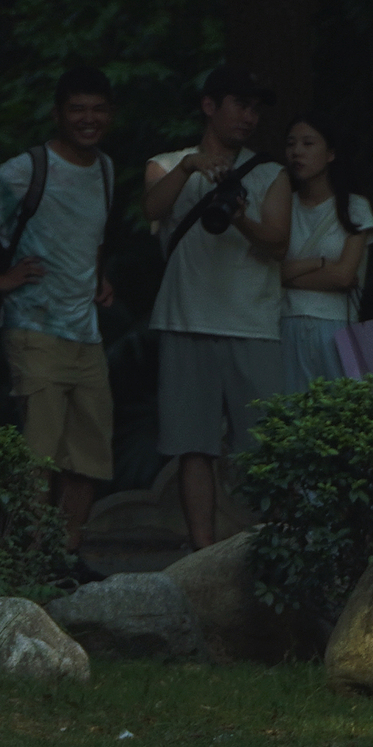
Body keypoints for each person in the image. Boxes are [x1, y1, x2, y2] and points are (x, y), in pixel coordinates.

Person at [0, 65, 116, 551]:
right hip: (34, 328)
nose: (89, 119)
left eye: (98, 109)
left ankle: (66, 557)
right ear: (59, 113)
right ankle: (26, 558)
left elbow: (91, 235)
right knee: (38, 458)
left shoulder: (105, 168)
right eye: (78, 109)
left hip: (86, 332)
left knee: (87, 456)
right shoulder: (27, 169)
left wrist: (98, 276)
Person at [144, 65, 293, 550]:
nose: (248, 116)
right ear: (210, 105)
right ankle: (202, 554)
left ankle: (272, 546)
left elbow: (277, 242)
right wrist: (191, 167)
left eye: (254, 108)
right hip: (184, 319)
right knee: (193, 446)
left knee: (264, 448)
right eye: (239, 104)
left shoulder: (270, 172)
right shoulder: (165, 164)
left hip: (253, 323)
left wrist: (241, 216)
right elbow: (151, 209)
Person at [281, 114, 373, 392]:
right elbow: (270, 272)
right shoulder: (281, 207)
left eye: (308, 143)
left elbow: (343, 276)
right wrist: (320, 263)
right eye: (291, 144)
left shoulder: (354, 207)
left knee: (343, 417)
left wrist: (288, 273)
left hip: (337, 327)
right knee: (290, 419)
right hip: (285, 324)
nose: (297, 151)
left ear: (331, 154)